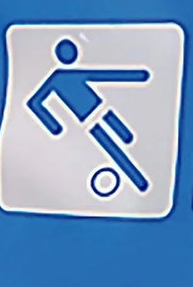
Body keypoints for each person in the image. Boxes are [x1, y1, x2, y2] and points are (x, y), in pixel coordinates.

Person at [25, 38, 150, 195]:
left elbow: (106, 76)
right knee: (114, 150)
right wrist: (54, 125)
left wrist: (139, 75)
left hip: (104, 112)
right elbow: (35, 103)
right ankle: (139, 182)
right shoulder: (56, 79)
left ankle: (140, 179)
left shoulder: (67, 76)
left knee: (127, 139)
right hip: (91, 121)